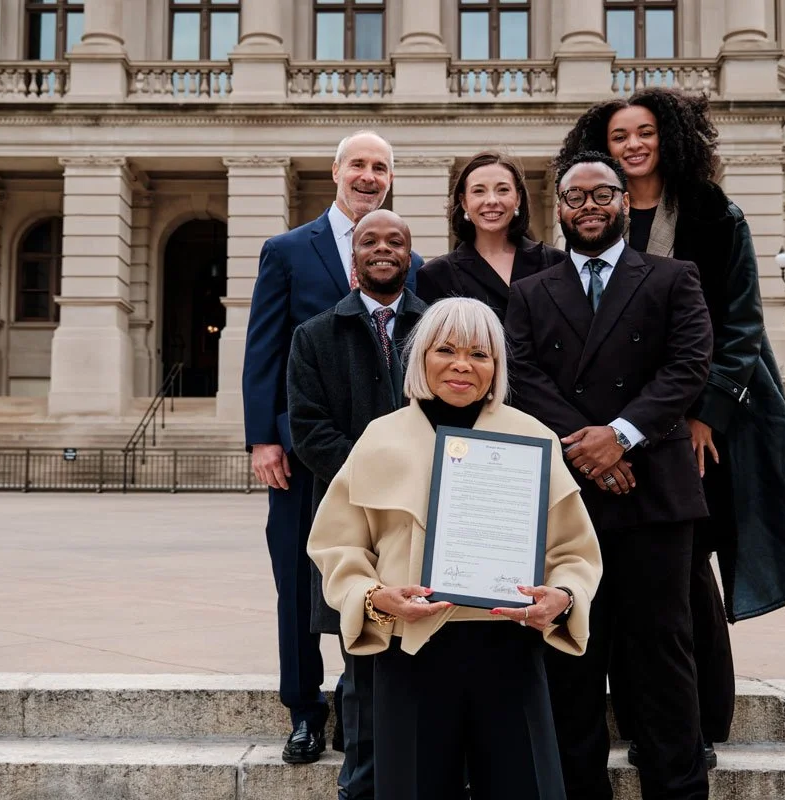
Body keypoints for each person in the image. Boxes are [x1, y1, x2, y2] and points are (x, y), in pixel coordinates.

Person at [555, 88, 785, 767]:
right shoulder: (596, 215)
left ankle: (697, 723)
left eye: (645, 132)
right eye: (619, 136)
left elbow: (741, 324)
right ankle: (655, 718)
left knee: (686, 573)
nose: (633, 145)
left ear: (670, 137)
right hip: (615, 421)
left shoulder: (713, 213)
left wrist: (710, 411)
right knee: (630, 572)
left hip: (701, 419)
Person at [308, 297, 603, 800]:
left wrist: (564, 598)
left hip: (510, 649)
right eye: (446, 349)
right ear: (421, 357)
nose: (462, 364)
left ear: (496, 367)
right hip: (412, 651)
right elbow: (339, 546)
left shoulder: (532, 437)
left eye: (480, 353)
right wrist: (375, 599)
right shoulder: (379, 439)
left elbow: (574, 551)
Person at [505, 151, 713, 800]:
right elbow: (522, 377)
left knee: (662, 659)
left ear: (626, 203)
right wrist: (587, 449)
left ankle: (677, 791)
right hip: (568, 500)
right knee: (571, 660)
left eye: (602, 195)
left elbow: (688, 366)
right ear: (557, 210)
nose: (588, 207)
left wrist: (618, 436)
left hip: (655, 497)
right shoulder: (529, 291)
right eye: (574, 198)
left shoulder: (673, 276)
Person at [242, 130, 423, 770]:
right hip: (304, 453)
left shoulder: (408, 258)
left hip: (387, 456)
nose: (369, 175)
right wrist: (264, 436)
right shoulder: (290, 249)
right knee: (298, 582)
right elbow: (264, 345)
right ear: (336, 172)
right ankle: (303, 711)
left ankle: (357, 706)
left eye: (380, 167)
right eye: (359, 165)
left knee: (374, 579)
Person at [286, 209, 427, 799]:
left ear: (410, 256)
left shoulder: (438, 330)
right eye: (369, 240)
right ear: (354, 258)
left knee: (424, 647)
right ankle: (362, 784)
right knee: (362, 653)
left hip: (424, 519)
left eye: (396, 241)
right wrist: (379, 479)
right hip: (353, 519)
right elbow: (310, 431)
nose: (382, 249)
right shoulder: (315, 335)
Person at [416, 151, 562, 319]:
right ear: (464, 202)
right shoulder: (437, 275)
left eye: (503, 190)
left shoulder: (555, 263)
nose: (491, 200)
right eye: (479, 191)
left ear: (518, 199)